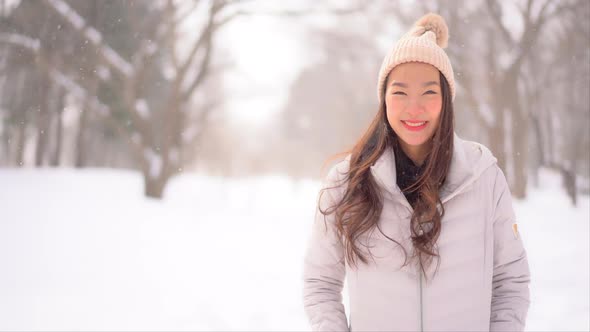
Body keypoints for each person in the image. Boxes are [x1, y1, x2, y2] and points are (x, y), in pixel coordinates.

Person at [302, 13, 530, 332]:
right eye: (399, 92)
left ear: (446, 100)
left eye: (428, 92)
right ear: (383, 98)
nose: (414, 107)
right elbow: (321, 283)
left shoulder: (484, 178)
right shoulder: (347, 181)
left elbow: (510, 280)